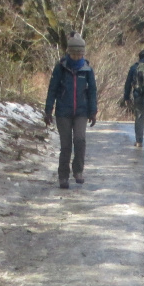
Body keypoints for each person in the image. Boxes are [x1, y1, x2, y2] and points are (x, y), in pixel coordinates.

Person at [44, 33, 98, 189]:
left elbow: (92, 91)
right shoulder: (60, 68)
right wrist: (48, 110)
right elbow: (52, 89)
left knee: (80, 140)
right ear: (69, 52)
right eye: (73, 54)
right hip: (63, 112)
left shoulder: (87, 70)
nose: (76, 57)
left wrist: (93, 111)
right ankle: (63, 176)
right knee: (66, 145)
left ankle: (78, 170)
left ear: (83, 53)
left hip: (81, 111)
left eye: (79, 54)